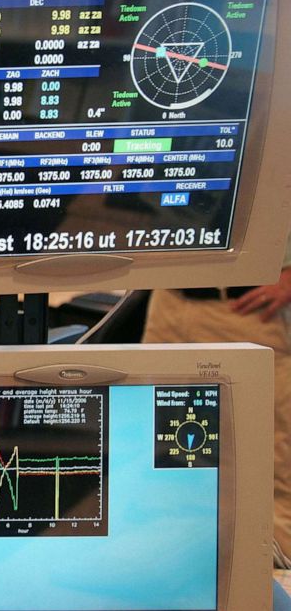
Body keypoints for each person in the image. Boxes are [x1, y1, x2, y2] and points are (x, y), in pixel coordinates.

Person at [142, 235, 291, 564]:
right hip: (169, 301)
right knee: (169, 455)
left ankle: (267, 579)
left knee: (271, 464)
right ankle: (176, 557)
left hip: (248, 309)